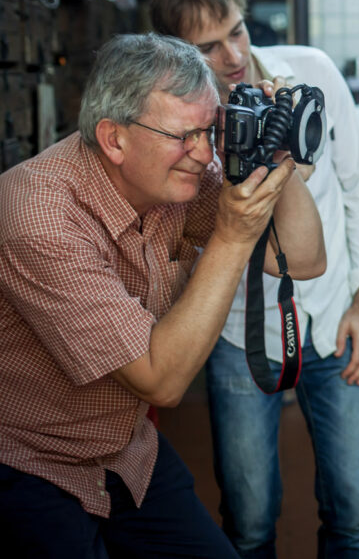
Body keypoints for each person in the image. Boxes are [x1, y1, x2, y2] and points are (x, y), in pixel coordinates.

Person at [0, 33, 325, 557]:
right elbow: (163, 381)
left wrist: (273, 156)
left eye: (211, 129)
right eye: (185, 135)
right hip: (29, 462)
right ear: (114, 139)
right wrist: (233, 234)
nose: (203, 153)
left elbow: (305, 259)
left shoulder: (173, 173)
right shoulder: (39, 217)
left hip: (124, 451)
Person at [149, 0, 359, 558]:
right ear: (172, 52)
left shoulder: (310, 71)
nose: (234, 54)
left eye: (237, 31)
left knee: (354, 514)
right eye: (207, 47)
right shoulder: (178, 120)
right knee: (249, 520)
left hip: (335, 316)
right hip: (238, 333)